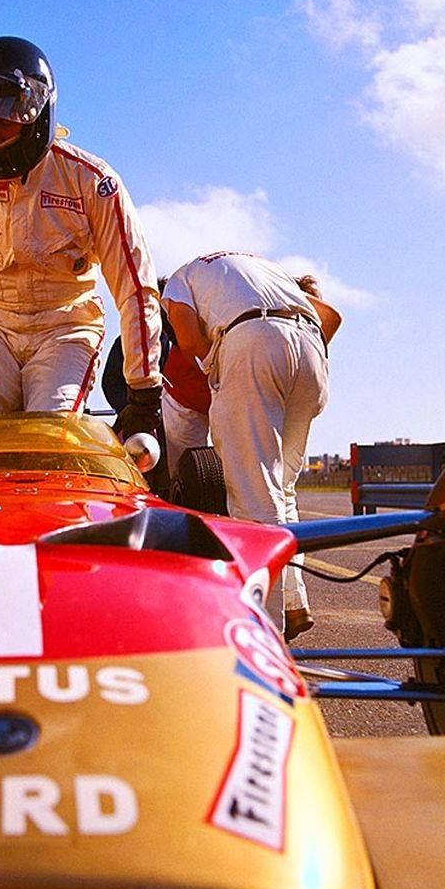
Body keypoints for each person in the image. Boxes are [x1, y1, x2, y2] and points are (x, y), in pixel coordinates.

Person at [0, 36, 162, 440]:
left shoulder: (92, 182)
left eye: (3, 122)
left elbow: (135, 287)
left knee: (48, 426)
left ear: (36, 113)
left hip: (65, 327)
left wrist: (143, 389)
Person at [162, 252, 341, 642]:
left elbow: (189, 338)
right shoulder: (262, 270)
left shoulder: (178, 280)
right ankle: (294, 602)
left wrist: (221, 370)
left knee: (252, 497)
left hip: (251, 343)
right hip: (311, 349)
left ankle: (264, 634)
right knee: (282, 489)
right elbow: (333, 317)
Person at [102, 278, 211, 487]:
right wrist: (132, 409)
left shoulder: (182, 339)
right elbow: (110, 382)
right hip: (140, 420)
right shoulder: (129, 340)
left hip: (177, 421)